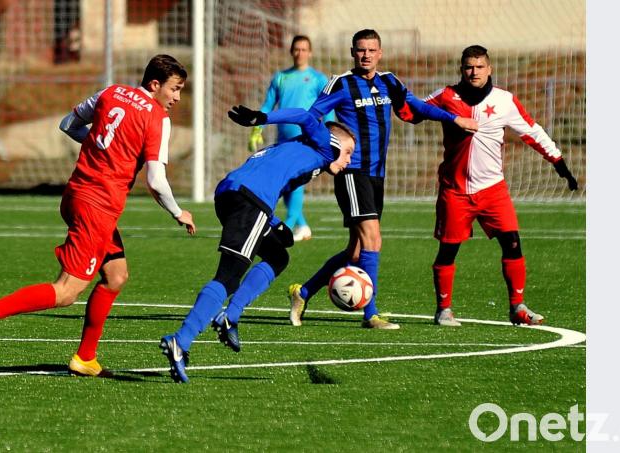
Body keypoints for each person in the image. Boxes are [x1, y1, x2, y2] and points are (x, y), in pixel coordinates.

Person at [0, 55, 196, 377]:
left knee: (116, 276)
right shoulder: (157, 118)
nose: (177, 97)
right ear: (155, 84)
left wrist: (105, 146)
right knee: (66, 291)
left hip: (76, 194)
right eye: (174, 89)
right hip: (97, 206)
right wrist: (178, 212)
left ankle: (85, 358)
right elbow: (156, 181)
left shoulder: (110, 92)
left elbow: (67, 125)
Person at [287, 29, 479, 329]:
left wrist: (453, 118)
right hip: (352, 172)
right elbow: (312, 118)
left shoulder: (389, 81)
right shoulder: (341, 83)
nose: (366, 55)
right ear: (353, 52)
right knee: (373, 239)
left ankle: (303, 292)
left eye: (371, 50)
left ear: (380, 53)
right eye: (361, 50)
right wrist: (328, 155)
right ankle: (371, 314)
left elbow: (417, 106)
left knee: (356, 251)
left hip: (377, 174)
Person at [159, 105, 355, 383]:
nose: (348, 160)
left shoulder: (295, 151)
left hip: (232, 195)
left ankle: (230, 316)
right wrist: (262, 118)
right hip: (250, 201)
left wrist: (274, 222)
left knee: (277, 256)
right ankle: (181, 340)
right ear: (335, 142)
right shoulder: (326, 146)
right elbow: (306, 116)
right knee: (228, 277)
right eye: (348, 152)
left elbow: (268, 178)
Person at [411, 45, 579, 327]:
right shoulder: (446, 96)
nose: (474, 72)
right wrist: (395, 96)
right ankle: (443, 310)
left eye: (479, 66)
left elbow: (532, 131)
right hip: (455, 191)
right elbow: (413, 111)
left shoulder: (504, 100)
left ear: (489, 69)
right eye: (469, 66)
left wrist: (558, 162)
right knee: (448, 250)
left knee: (512, 243)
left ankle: (517, 307)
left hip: (493, 190)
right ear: (461, 69)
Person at [249, 35, 335, 242]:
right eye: (296, 49)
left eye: (304, 49)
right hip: (284, 139)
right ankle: (302, 226)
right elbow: (268, 105)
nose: (300, 53)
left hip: (306, 140)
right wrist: (257, 130)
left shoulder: (318, 79)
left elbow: (328, 109)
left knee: (295, 182)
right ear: (291, 51)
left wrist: (330, 132)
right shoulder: (281, 77)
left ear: (310, 53)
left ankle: (287, 226)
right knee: (286, 183)